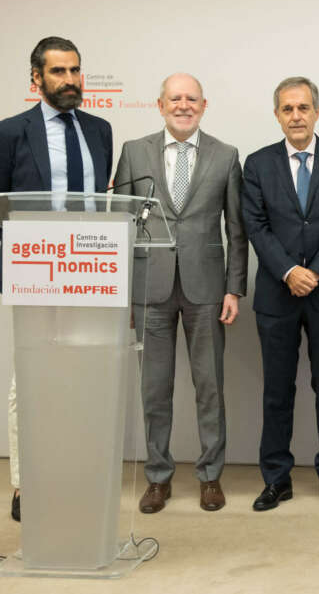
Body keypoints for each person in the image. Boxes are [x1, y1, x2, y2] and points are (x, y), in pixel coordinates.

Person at [0, 36, 113, 522]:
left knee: (82, 377)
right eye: (58, 72)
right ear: (36, 78)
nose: (70, 80)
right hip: (35, 274)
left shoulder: (100, 129)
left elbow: (101, 202)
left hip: (94, 274)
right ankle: (25, 483)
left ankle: (74, 472)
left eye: (75, 70)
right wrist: (36, 251)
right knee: (30, 379)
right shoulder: (9, 132)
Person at [113, 73, 247, 513]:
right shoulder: (134, 153)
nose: (183, 105)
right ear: (160, 104)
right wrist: (123, 292)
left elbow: (236, 229)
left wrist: (234, 289)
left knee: (209, 387)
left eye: (192, 99)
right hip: (149, 288)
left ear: (204, 105)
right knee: (154, 389)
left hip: (206, 289)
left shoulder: (226, 156)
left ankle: (210, 476)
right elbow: (120, 224)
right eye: (176, 98)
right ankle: (158, 477)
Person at [242, 76, 319, 511]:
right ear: (277, 115)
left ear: (317, 112)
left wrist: (315, 272)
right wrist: (290, 270)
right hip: (277, 294)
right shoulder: (257, 164)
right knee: (277, 390)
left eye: (304, 107)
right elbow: (255, 225)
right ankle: (276, 478)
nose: (296, 115)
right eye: (288, 109)